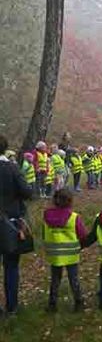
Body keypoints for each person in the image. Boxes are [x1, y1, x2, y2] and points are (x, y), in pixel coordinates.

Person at [0, 134, 33, 315]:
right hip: (9, 223)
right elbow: (27, 192)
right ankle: (12, 306)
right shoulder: (12, 169)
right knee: (11, 266)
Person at [43, 189, 86, 312]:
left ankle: (52, 304)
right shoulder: (74, 218)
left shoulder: (47, 216)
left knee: (55, 279)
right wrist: (81, 245)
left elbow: (43, 233)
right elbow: (82, 234)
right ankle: (79, 302)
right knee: (74, 279)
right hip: (71, 253)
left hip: (55, 254)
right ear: (70, 202)